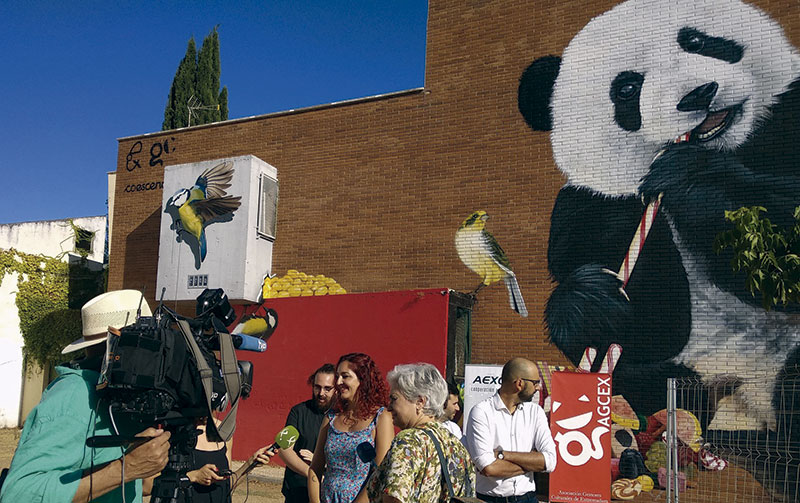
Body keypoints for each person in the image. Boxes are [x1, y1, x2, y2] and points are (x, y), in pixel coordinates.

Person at [0, 290, 171, 503]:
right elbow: (18, 494)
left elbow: (133, 485)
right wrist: (126, 468)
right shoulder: (75, 394)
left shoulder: (121, 397)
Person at [367, 363, 476, 503]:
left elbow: (395, 498)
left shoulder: (408, 441)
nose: (388, 406)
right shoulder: (456, 445)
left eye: (394, 398)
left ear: (420, 402)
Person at [463, 357, 557, 503]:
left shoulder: (535, 412)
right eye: (535, 383)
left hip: (528, 498)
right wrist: (532, 462)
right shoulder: (481, 412)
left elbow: (550, 461)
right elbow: (489, 468)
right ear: (519, 383)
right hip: (491, 499)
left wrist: (502, 455)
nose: (538, 387)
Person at [308, 353, 393, 503]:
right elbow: (315, 468)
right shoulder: (331, 418)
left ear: (363, 379)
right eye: (337, 376)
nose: (339, 382)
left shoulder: (380, 417)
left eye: (345, 376)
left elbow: (380, 473)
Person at [279, 363, 337, 503]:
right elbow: (284, 449)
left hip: (329, 493)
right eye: (317, 387)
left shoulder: (343, 418)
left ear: (337, 389)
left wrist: (321, 466)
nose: (321, 393)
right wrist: (311, 471)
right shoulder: (298, 412)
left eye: (327, 388)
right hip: (298, 491)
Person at [186, 416, 274, 502]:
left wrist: (251, 463)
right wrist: (194, 476)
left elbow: (228, 484)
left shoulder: (224, 431)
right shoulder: (175, 431)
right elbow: (172, 481)